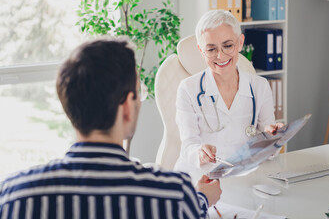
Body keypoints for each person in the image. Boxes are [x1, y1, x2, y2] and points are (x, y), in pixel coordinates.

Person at [0, 38, 221, 218]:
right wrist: (200, 199)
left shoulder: (12, 195)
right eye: (138, 94)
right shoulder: (174, 196)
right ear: (126, 106)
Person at [173, 10, 283, 181]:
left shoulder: (260, 87)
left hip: (242, 177)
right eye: (211, 49)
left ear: (240, 43)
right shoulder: (188, 89)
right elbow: (188, 145)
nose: (220, 55)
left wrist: (272, 137)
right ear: (201, 50)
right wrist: (199, 153)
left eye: (228, 45)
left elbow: (268, 150)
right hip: (199, 179)